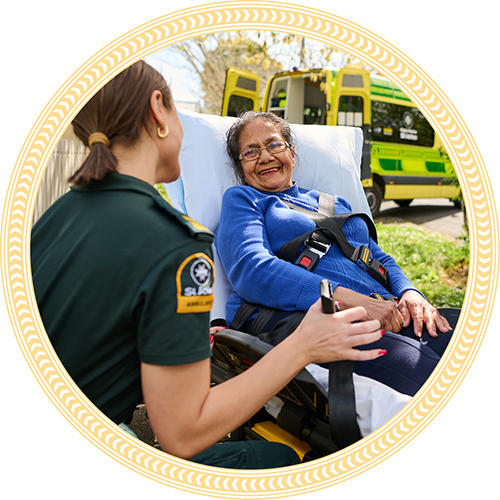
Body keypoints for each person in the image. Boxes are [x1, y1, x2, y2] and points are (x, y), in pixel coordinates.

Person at [31, 61, 388, 469]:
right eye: (249, 152)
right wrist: (303, 344)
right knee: (280, 458)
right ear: (157, 111)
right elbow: (183, 434)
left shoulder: (55, 217)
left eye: (273, 145)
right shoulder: (177, 246)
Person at [215, 111, 455, 397]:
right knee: (435, 377)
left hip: (388, 310)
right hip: (323, 319)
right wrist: (355, 302)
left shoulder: (333, 202)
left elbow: (378, 258)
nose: (265, 156)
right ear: (241, 166)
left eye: (273, 145)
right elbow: (252, 269)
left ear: (292, 152)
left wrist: (410, 293)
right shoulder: (244, 199)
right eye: (250, 152)